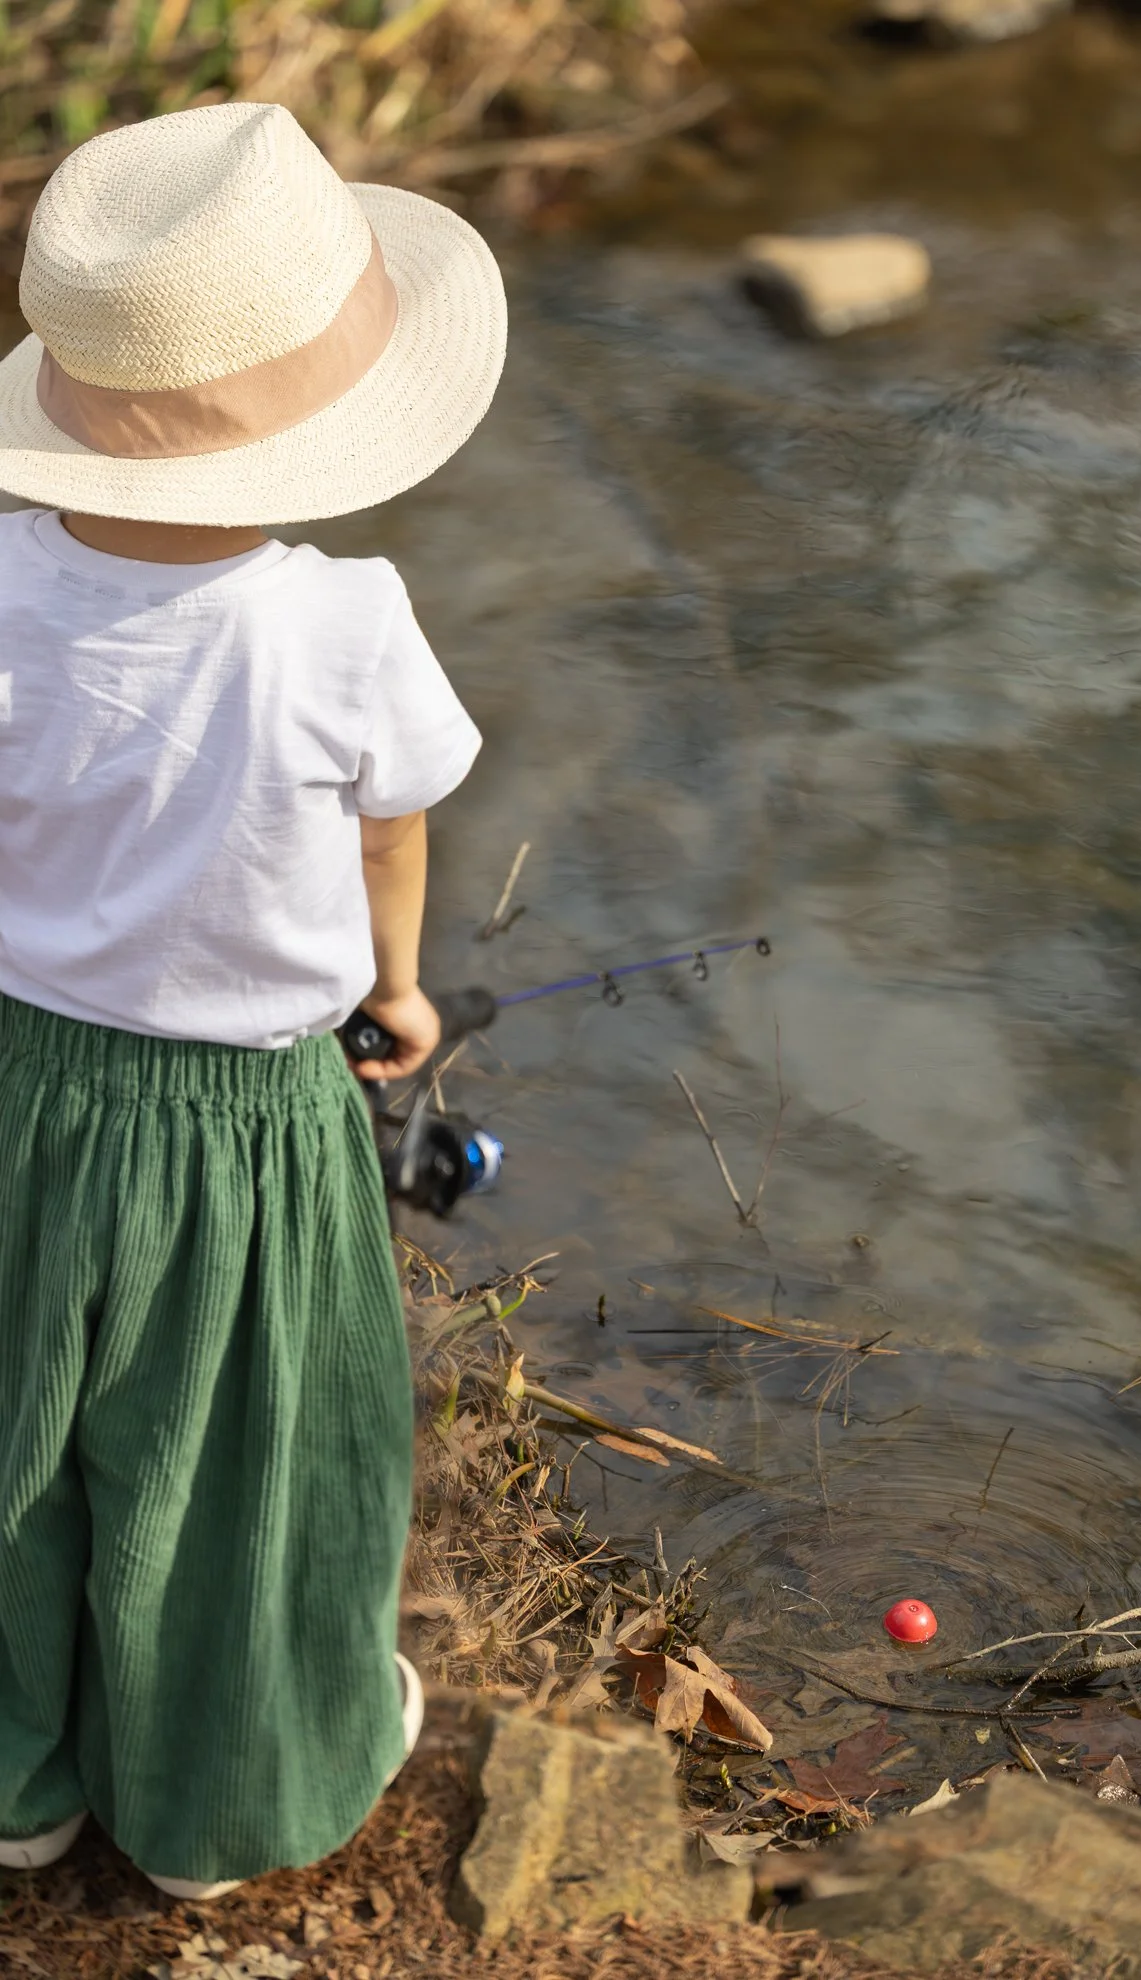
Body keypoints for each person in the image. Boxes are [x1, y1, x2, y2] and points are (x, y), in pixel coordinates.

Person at [0, 100, 506, 1898]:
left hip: (24, 1087)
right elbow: (391, 841)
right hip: (245, 1115)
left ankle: (20, 1782)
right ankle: (218, 1803)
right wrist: (401, 997)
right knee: (245, 1457)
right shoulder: (343, 619)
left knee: (20, 1436)